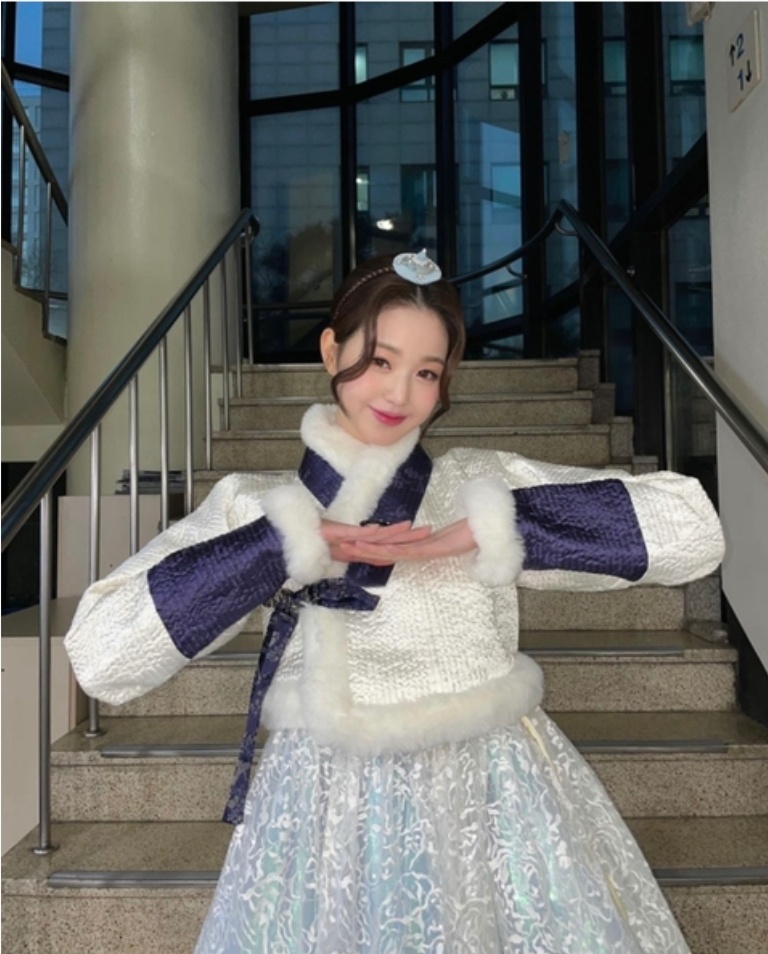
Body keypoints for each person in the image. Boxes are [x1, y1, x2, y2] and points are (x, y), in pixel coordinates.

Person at [64, 250, 725, 954]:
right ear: (331, 350)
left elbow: (693, 530)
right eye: (380, 360)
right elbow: (102, 656)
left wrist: (503, 527)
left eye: (427, 372)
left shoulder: (476, 482)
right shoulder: (257, 505)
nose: (400, 392)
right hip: (320, 805)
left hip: (487, 788)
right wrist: (276, 547)